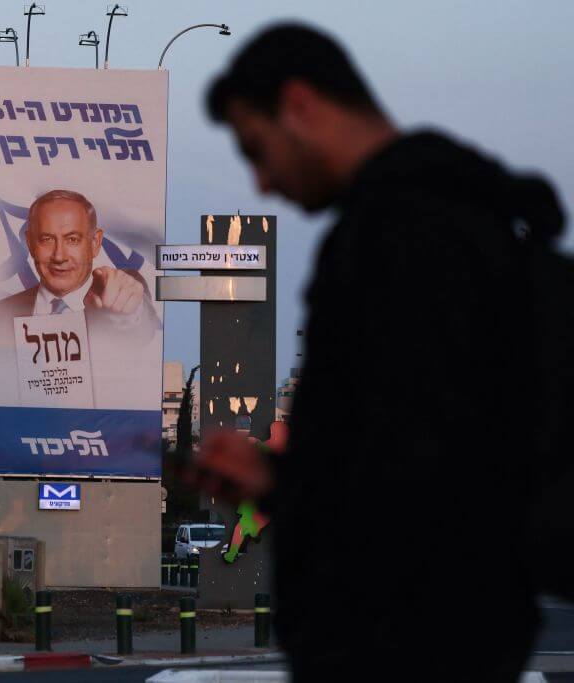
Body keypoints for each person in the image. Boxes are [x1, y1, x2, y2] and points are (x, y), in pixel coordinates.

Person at [197, 23, 565, 681]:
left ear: (301, 105)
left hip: (402, 645)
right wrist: (278, 481)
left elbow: (411, 478)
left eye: (258, 149)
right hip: (456, 632)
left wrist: (294, 489)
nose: (261, 182)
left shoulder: (399, 238)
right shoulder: (466, 221)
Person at [0, 189, 160, 363]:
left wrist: (129, 311)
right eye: (46, 239)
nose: (59, 256)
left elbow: (141, 329)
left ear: (95, 243)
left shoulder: (113, 296)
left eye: (72, 239)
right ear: (30, 243)